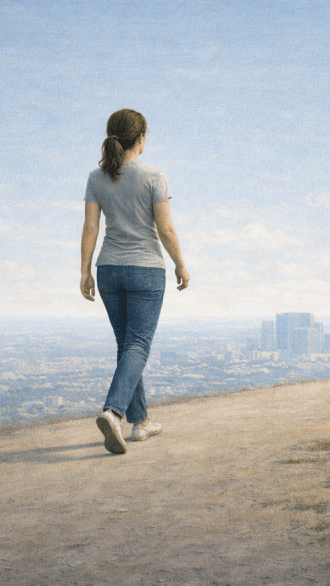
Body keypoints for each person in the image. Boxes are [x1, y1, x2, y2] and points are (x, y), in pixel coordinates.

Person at [80, 109, 189, 455]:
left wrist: (84, 271)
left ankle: (140, 423)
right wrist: (181, 265)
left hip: (109, 270)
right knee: (138, 344)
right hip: (145, 270)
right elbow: (166, 229)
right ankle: (113, 412)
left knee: (127, 344)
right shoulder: (155, 177)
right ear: (141, 139)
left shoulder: (97, 178)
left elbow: (91, 228)